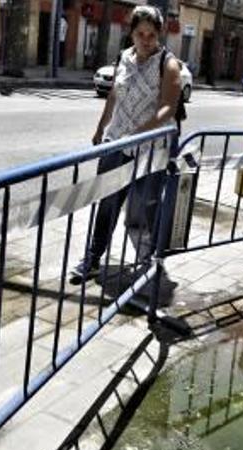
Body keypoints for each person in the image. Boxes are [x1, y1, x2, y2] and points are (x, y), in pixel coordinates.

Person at [69, 5, 181, 284]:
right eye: (140, 33)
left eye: (151, 35)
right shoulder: (124, 58)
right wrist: (100, 130)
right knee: (107, 203)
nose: (145, 40)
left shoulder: (168, 63)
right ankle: (93, 258)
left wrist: (139, 134)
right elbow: (113, 97)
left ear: (159, 34)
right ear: (131, 33)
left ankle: (152, 259)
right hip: (116, 141)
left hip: (149, 148)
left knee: (148, 205)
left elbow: (168, 107)